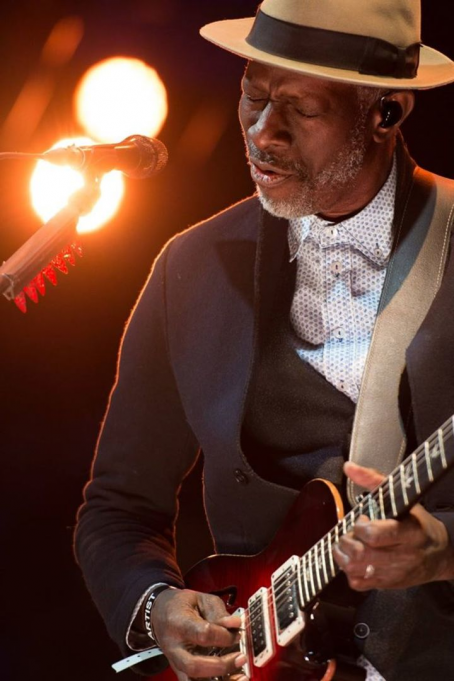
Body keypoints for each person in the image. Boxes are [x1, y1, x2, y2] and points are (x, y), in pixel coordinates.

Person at [75, 1, 454, 680]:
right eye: (251, 95)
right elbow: (118, 507)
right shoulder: (187, 267)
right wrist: (156, 605)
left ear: (386, 111)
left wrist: (446, 551)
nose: (260, 131)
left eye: (300, 109)